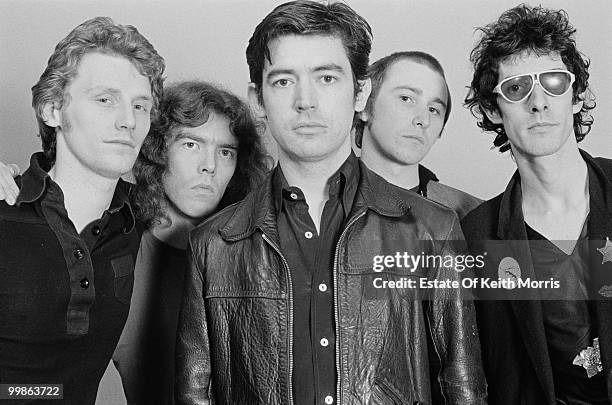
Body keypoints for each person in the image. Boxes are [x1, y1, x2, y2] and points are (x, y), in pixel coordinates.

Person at [175, 1, 486, 404]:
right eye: (284, 81)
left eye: (326, 78)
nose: (306, 101)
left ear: (360, 93)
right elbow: (194, 394)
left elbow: (462, 386)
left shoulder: (433, 229)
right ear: (257, 99)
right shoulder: (212, 245)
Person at [0, 16, 164, 405]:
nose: (128, 121)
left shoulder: (136, 222)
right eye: (105, 99)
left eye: (140, 105)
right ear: (52, 110)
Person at [462, 5, 610, 404]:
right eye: (516, 89)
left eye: (553, 83)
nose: (538, 102)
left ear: (576, 97)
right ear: (493, 110)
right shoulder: (475, 236)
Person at [109, 80, 268, 404]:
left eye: (226, 151)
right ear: (157, 150)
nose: (209, 165)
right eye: (191, 144)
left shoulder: (258, 251)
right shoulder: (116, 249)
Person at [355, 51, 481, 219]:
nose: (423, 119)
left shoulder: (474, 216)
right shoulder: (318, 202)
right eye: (406, 99)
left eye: (433, 110)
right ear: (363, 105)